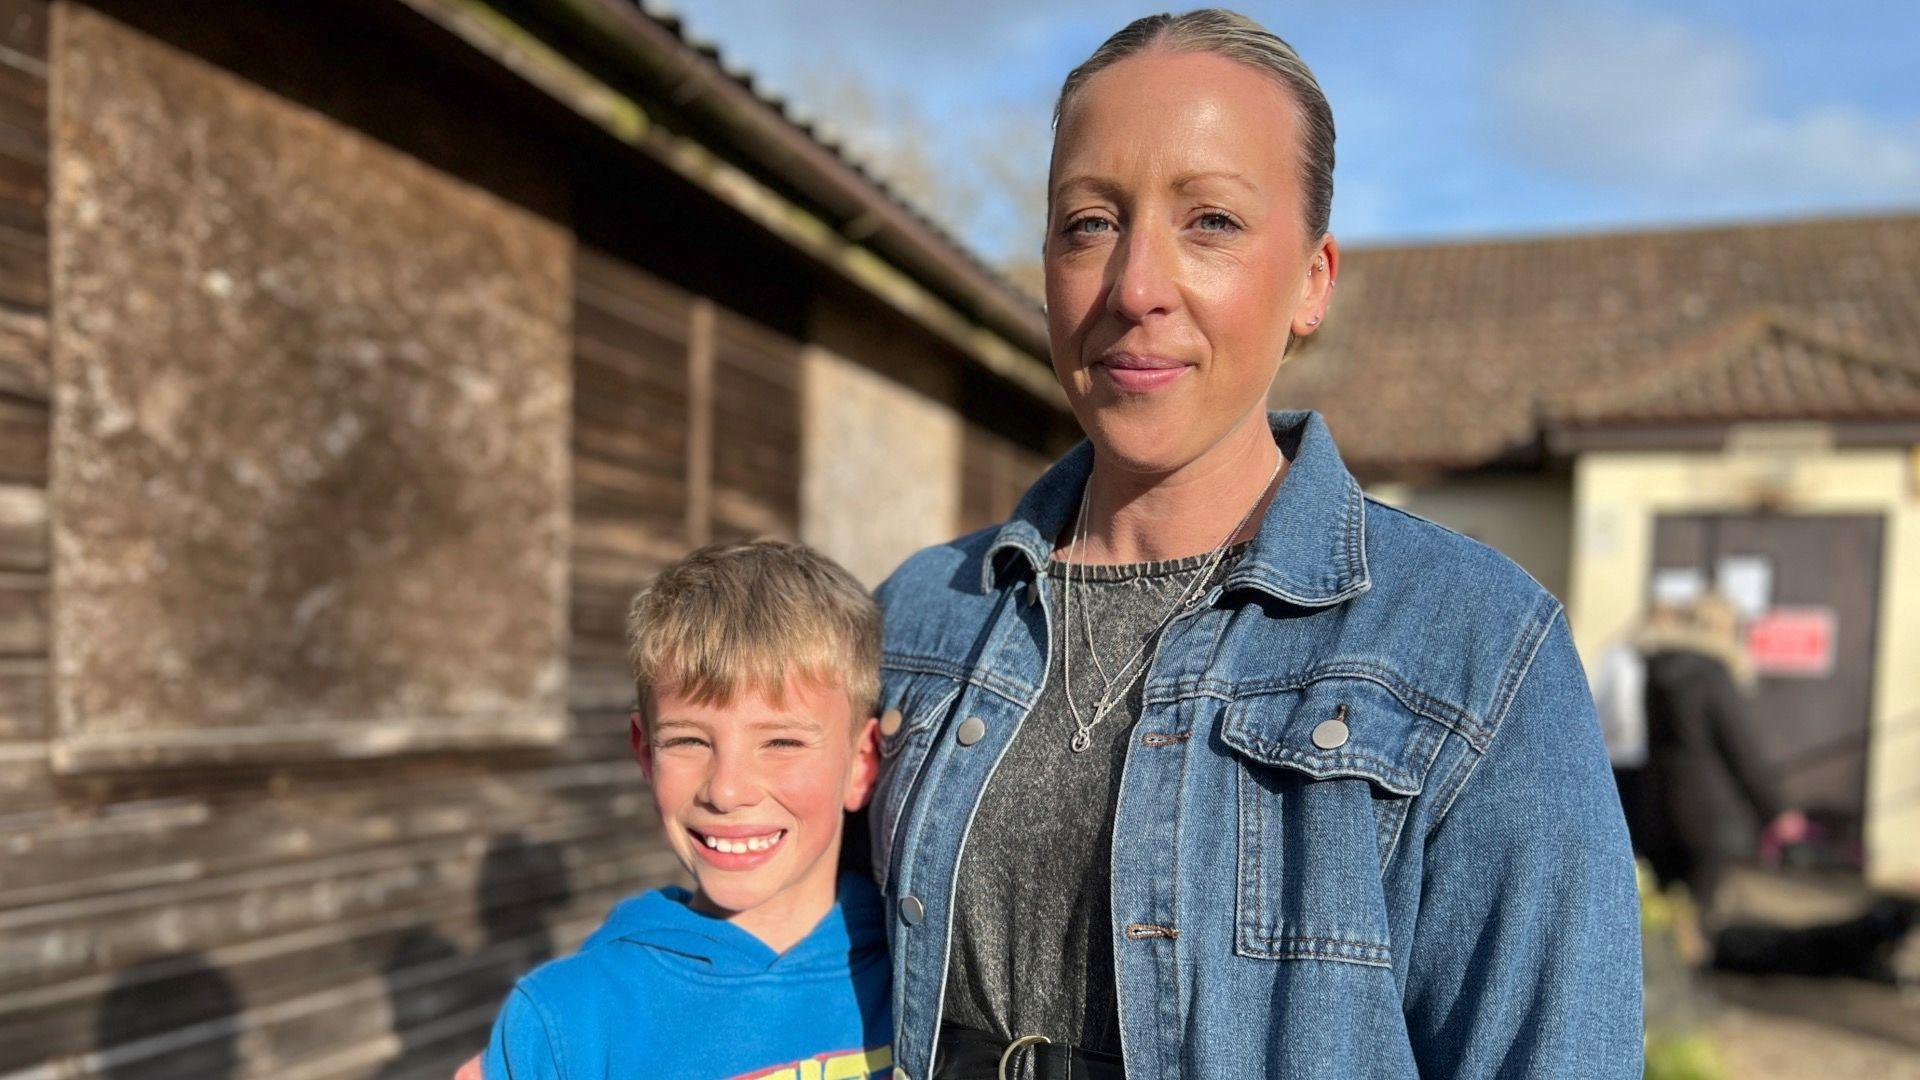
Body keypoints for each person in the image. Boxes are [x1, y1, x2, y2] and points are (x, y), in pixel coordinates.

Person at [869, 11, 1641, 1079]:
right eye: (1089, 222)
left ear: (1313, 281)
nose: (1136, 287)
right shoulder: (917, 617)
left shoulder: (1477, 651)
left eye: (1212, 222)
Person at [477, 541, 893, 1079]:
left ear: (861, 764)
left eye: (782, 743)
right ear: (645, 752)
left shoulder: (928, 981)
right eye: (689, 742)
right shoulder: (564, 1022)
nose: (727, 790)